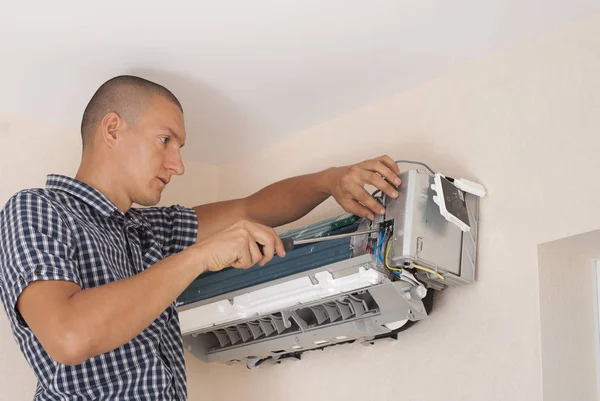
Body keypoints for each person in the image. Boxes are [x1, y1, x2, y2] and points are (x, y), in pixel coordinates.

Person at [0, 75, 402, 400]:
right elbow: (70, 336)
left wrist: (329, 181)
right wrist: (198, 257)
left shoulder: (150, 230)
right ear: (112, 129)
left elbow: (251, 208)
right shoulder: (38, 209)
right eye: (165, 140)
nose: (177, 165)